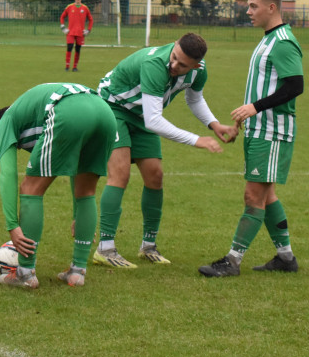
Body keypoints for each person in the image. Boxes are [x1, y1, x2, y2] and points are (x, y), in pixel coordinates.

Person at [93, 33, 237, 268]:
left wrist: (214, 124)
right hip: (112, 107)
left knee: (155, 175)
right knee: (120, 174)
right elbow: (154, 122)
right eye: (174, 57)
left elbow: (195, 99)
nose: (174, 65)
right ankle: (105, 248)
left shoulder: (199, 71)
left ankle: (148, 246)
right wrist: (196, 139)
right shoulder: (154, 64)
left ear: (196, 65)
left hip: (141, 114)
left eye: (182, 65)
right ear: (174, 47)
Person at [198, 0, 304, 277]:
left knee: (253, 196)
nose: (248, 11)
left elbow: (296, 85)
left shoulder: (283, 41)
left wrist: (255, 108)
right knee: (267, 195)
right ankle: (285, 258)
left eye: (253, 6)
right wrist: (240, 121)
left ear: (272, 8)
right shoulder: (268, 39)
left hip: (272, 132)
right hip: (259, 130)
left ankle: (232, 261)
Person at [0, 83, 118, 288]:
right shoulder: (32, 110)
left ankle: (24, 273)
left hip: (68, 110)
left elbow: (8, 174)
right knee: (86, 191)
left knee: (30, 188)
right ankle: (77, 272)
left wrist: (12, 225)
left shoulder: (6, 121)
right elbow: (73, 169)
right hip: (105, 112)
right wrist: (79, 215)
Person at [59, 0, 94, 72]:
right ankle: (67, 66)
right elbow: (62, 17)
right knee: (69, 48)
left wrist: (88, 30)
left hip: (80, 33)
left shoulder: (85, 8)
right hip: (70, 32)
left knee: (78, 49)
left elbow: (91, 19)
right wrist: (63, 27)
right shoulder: (69, 7)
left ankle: (75, 67)